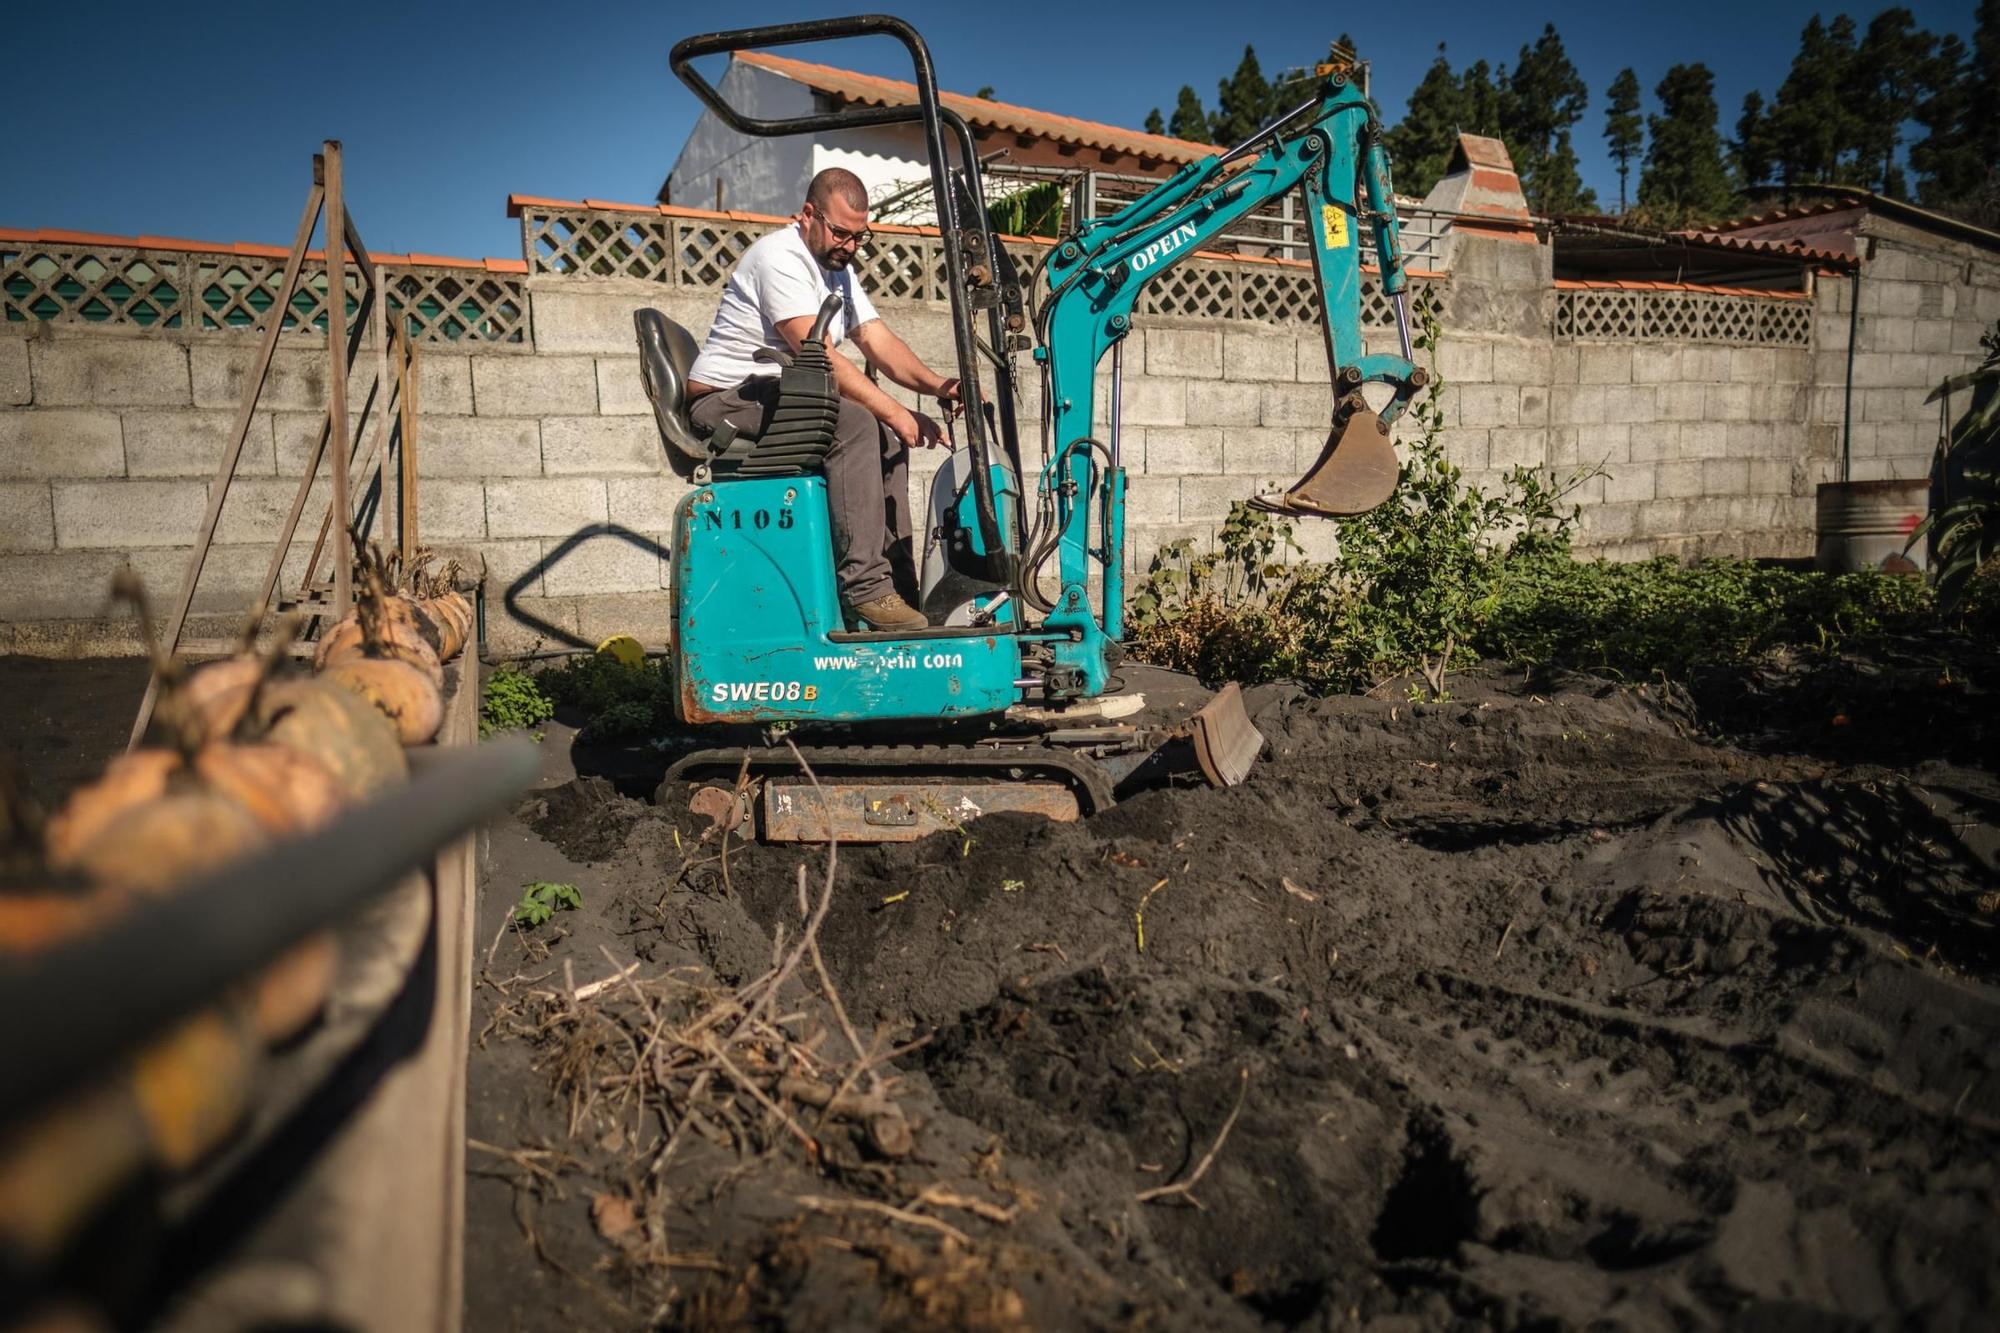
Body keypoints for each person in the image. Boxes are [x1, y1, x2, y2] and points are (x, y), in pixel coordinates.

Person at [686, 167, 961, 632]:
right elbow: (820, 356)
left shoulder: (837, 270)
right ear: (808, 215)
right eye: (840, 233)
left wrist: (937, 386)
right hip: (726, 399)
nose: (850, 246)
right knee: (854, 424)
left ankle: (897, 587)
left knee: (887, 437)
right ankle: (867, 590)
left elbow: (875, 339)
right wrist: (895, 409)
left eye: (859, 236)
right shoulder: (779, 257)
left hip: (781, 392)